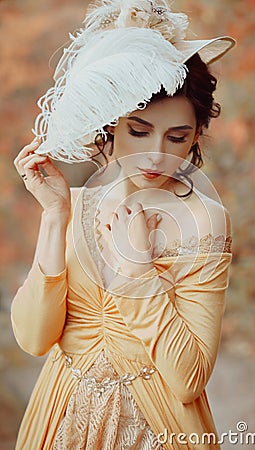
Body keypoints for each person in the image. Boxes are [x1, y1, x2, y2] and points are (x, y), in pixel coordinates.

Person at [11, 1, 235, 449]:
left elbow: (189, 378)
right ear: (111, 127)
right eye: (139, 130)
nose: (157, 154)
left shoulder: (203, 219)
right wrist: (55, 216)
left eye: (177, 137)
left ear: (196, 135)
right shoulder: (72, 205)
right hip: (61, 419)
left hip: (159, 427)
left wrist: (136, 271)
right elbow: (35, 339)